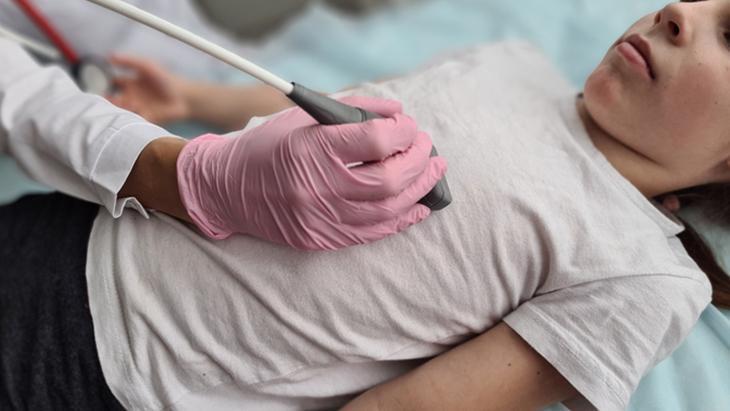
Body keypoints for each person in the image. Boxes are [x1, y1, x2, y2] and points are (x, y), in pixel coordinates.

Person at [3, 1, 730, 411]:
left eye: (729, 34)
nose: (677, 11)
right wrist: (192, 98)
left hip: (116, 376)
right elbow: (339, 115)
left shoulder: (646, 276)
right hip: (93, 222)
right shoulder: (515, 64)